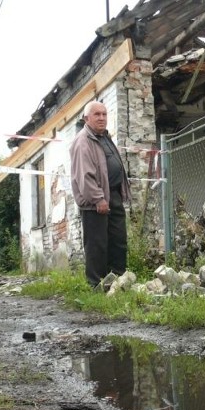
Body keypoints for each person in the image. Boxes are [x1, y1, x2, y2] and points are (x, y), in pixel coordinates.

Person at [70, 100, 131, 289]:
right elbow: (84, 176)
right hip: (95, 201)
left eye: (104, 114)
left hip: (113, 195)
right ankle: (96, 285)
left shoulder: (104, 137)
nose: (102, 118)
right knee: (97, 244)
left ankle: (118, 282)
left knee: (118, 240)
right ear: (86, 118)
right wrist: (98, 198)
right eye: (97, 114)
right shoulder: (82, 141)